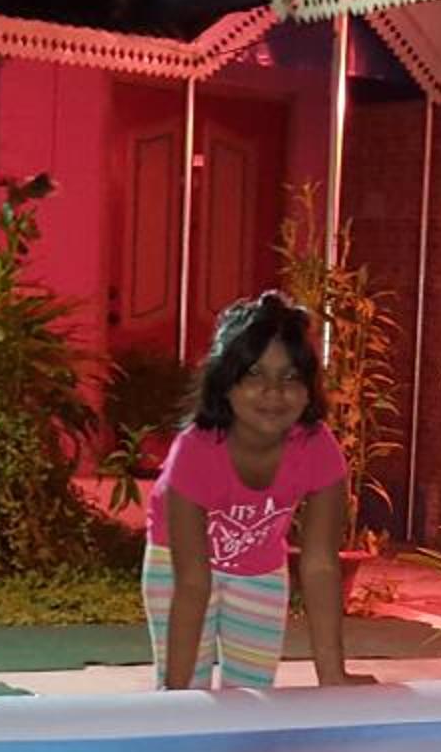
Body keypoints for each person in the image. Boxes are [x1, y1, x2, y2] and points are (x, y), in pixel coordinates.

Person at [144, 291, 375, 690]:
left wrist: (333, 676)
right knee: (187, 689)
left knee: (252, 694)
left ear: (308, 389)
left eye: (290, 377)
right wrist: (177, 699)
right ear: (226, 383)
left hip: (259, 567)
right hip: (178, 567)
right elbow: (193, 582)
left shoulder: (317, 449)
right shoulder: (195, 452)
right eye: (254, 375)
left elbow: (320, 565)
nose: (274, 392)